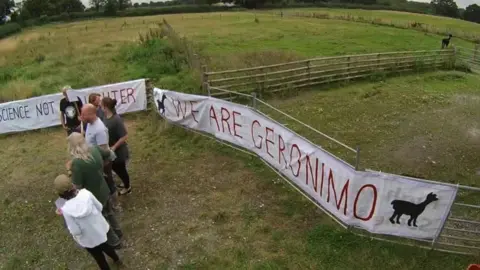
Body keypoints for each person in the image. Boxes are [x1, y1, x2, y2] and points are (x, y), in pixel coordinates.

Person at [54, 174, 124, 270]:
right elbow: (99, 207)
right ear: (73, 185)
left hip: (88, 239)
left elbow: (75, 231)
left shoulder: (66, 210)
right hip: (100, 230)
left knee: (99, 258)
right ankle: (117, 259)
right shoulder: (86, 193)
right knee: (107, 247)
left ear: (60, 194)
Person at [66, 132, 123, 249]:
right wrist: (105, 168)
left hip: (93, 197)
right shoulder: (95, 149)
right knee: (110, 213)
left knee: (102, 221)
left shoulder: (77, 163)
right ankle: (119, 232)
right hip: (104, 188)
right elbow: (109, 154)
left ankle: (115, 242)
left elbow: (77, 185)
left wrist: (69, 171)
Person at [81, 104, 120, 210]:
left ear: (91, 114)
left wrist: (100, 165)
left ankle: (115, 204)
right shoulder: (89, 124)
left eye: (83, 115)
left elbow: (104, 150)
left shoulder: (99, 129)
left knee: (108, 182)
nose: (81, 117)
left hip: (103, 161)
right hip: (94, 159)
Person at [102, 97, 131, 195]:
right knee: (115, 168)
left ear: (105, 107)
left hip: (119, 152)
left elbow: (124, 136)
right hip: (110, 150)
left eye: (102, 105)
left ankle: (127, 187)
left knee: (121, 169)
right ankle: (124, 182)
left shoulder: (116, 119)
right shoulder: (105, 117)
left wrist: (114, 147)